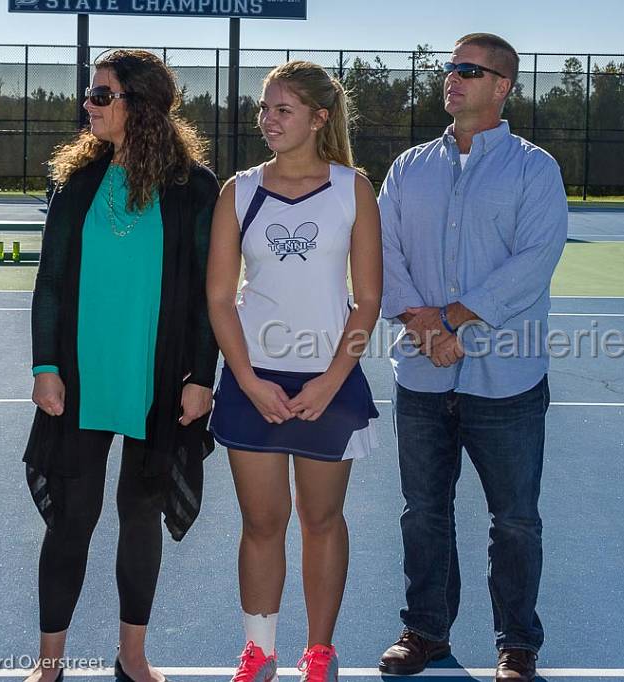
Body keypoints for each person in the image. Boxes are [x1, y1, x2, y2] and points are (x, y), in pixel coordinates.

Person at [23, 49, 220, 682]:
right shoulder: (75, 180)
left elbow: (204, 297)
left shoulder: (193, 186)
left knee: (140, 519)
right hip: (80, 381)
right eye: (91, 94)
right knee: (72, 522)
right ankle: (49, 662)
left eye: (102, 95)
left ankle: (132, 656)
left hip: (158, 384)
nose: (89, 104)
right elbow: (50, 280)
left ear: (139, 105)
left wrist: (201, 375)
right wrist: (45, 365)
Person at [376, 33, 568, 682]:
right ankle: (425, 632)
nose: (452, 78)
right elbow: (383, 254)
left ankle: (518, 645)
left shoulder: (533, 168)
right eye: (449, 68)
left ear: (502, 85)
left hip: (507, 380)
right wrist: (422, 326)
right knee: (423, 515)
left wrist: (452, 320)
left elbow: (534, 263)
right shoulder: (409, 167)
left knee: (514, 521)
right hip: (422, 377)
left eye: (468, 69)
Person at [206, 60, 382, 682]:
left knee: (322, 520)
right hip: (254, 383)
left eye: (283, 109)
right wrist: (250, 381)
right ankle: (260, 651)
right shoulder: (239, 190)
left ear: (318, 118)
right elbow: (220, 299)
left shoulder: (352, 188)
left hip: (329, 384)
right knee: (261, 522)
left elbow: (367, 299)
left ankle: (320, 651)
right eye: (265, 109)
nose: (269, 120)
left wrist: (331, 380)